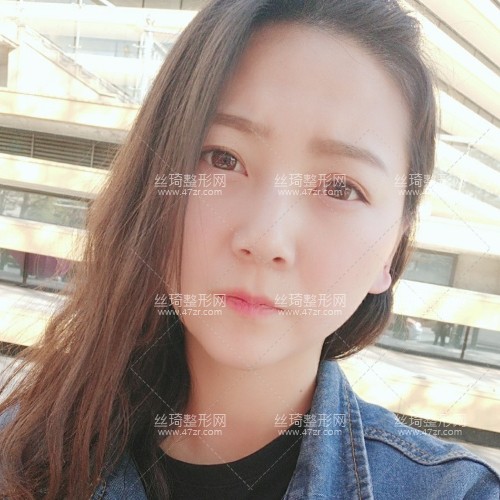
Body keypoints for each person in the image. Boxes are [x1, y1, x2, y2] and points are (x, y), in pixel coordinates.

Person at [0, 0, 499, 498]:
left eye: (341, 188)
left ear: (393, 246)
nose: (265, 239)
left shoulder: (454, 491)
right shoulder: (20, 451)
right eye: (223, 158)